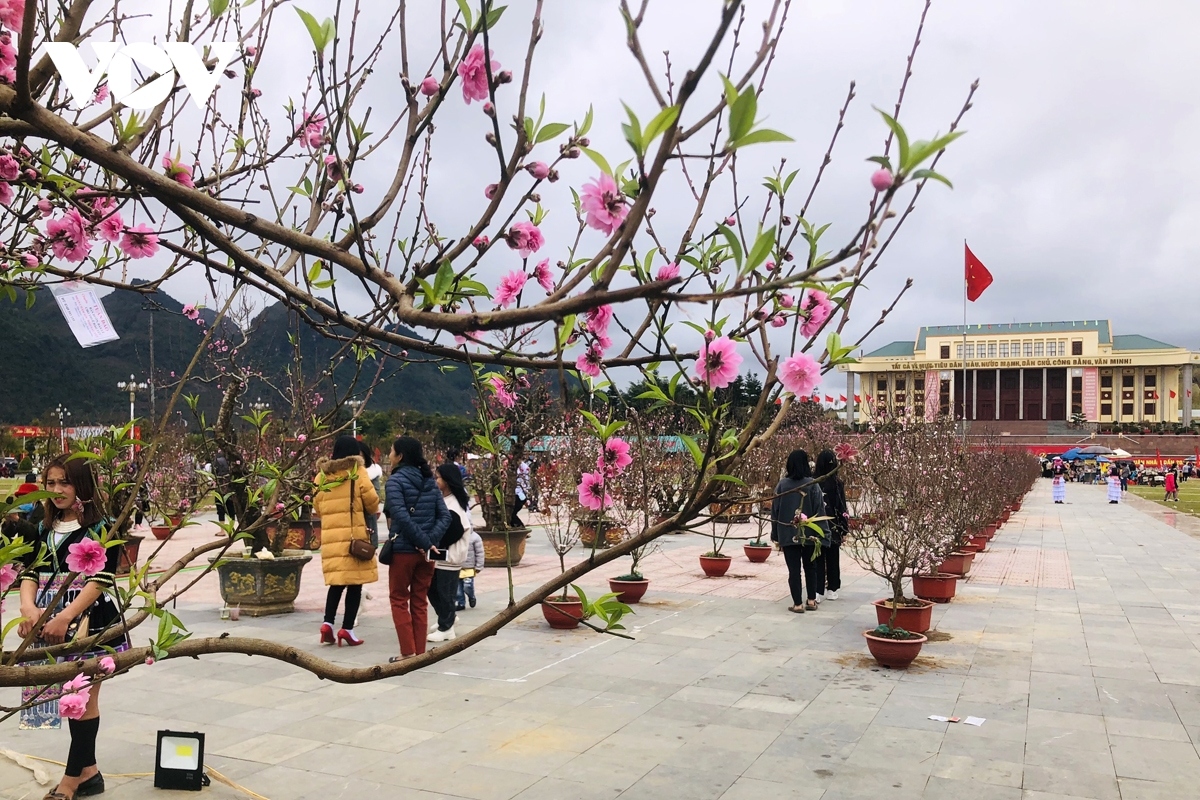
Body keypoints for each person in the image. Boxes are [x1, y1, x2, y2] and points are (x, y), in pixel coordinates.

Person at [19, 457, 130, 800]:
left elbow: (101, 578)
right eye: (50, 483)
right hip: (47, 619)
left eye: (64, 482)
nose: (56, 491)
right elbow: (29, 572)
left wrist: (65, 616)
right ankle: (89, 773)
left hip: (88, 619)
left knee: (81, 698)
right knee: (69, 700)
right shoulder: (42, 527)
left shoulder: (104, 527)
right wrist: (28, 609)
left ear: (82, 485)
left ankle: (69, 782)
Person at [384, 437, 450, 662]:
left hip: (403, 550)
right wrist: (429, 542)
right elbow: (445, 516)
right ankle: (420, 652)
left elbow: (400, 516)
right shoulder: (429, 481)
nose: (389, 455)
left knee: (399, 598)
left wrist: (422, 542)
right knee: (420, 600)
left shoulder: (395, 482)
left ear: (400, 456)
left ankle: (407, 652)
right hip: (427, 554)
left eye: (391, 451)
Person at [312, 435, 380, 647]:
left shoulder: (320, 477)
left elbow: (318, 508)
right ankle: (347, 629)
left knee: (336, 584)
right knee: (354, 584)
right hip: (353, 538)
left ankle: (327, 624)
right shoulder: (357, 472)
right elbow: (372, 503)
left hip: (332, 539)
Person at [771, 449, 829, 613]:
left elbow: (775, 511)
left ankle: (797, 604)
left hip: (788, 534)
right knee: (811, 567)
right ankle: (811, 600)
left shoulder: (782, 485)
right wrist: (824, 534)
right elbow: (820, 510)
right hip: (810, 534)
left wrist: (775, 533)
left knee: (794, 570)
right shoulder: (813, 484)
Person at [428, 464, 472, 642]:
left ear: (447, 481)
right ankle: (447, 618)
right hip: (442, 557)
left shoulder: (453, 504)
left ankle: (447, 627)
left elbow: (455, 530)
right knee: (433, 589)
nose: (435, 480)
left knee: (444, 592)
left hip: (449, 557)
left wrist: (436, 542)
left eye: (438, 477)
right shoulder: (448, 500)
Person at [815, 449, 847, 601]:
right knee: (833, 558)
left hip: (815, 525)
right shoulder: (836, 483)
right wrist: (844, 528)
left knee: (818, 558)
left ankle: (817, 589)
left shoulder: (813, 482)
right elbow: (842, 507)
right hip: (833, 525)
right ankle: (832, 588)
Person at [359, 440, 383, 547]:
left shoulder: (372, 472)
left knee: (368, 547)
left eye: (361, 456)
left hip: (368, 514)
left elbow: (375, 495)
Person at [457, 527, 484, 610]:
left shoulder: (475, 537)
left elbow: (480, 553)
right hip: (457, 567)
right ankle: (461, 603)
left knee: (467, 585)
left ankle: (471, 596)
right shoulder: (456, 535)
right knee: (457, 588)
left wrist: (479, 566)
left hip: (469, 567)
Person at [213, 452, 230, 523]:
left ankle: (222, 530)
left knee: (220, 509)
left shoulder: (216, 461)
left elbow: (214, 473)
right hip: (229, 487)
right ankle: (231, 528)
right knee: (231, 509)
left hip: (220, 487)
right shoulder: (229, 460)